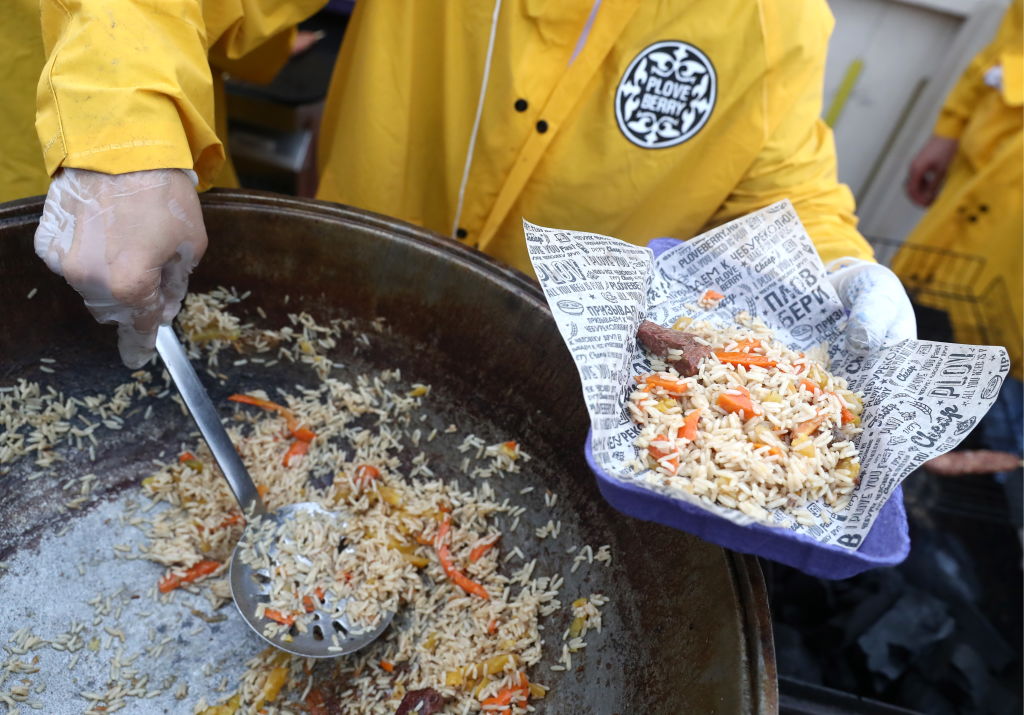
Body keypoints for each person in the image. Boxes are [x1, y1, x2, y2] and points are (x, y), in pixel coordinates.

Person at [29, 0, 915, 368]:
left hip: (540, 377)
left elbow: (784, 181)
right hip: (326, 305)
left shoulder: (774, 20)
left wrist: (841, 270)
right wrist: (126, 126)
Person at [895, 0, 1022, 379]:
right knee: (916, 327)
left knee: (998, 357)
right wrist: (950, 128)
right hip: (979, 173)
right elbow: (1009, 42)